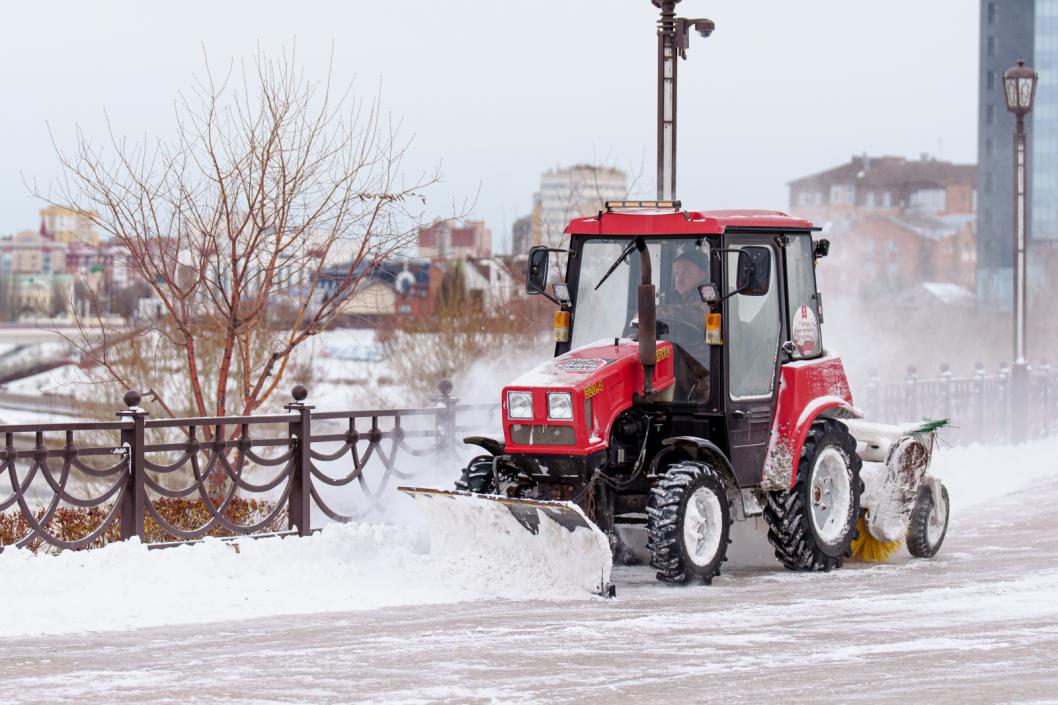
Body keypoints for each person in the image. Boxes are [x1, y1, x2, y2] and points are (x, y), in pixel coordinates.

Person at [660, 247, 711, 401]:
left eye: (686, 273)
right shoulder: (676, 300)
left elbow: (697, 312)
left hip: (708, 371)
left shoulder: (710, 294)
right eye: (676, 273)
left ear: (702, 274)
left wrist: (650, 310)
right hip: (683, 368)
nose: (679, 279)